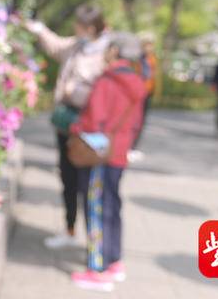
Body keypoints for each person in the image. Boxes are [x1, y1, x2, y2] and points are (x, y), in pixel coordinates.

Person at [68, 32, 149, 292]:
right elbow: (136, 123)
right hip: (119, 152)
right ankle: (114, 261)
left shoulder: (107, 80)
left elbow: (93, 120)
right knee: (112, 205)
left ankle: (97, 268)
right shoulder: (137, 82)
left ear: (115, 51)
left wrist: (75, 127)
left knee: (96, 207)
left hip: (100, 153)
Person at [25, 4, 110, 250]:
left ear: (91, 28)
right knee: (67, 177)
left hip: (88, 127)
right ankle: (70, 228)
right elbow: (55, 45)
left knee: (87, 182)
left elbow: (103, 92)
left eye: (80, 26)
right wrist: (39, 30)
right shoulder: (76, 45)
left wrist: (76, 91)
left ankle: (94, 239)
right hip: (66, 124)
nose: (76, 29)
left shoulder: (104, 54)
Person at [128, 33, 159, 162]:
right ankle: (128, 146)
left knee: (141, 120)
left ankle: (134, 146)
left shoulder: (152, 59)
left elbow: (155, 76)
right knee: (133, 119)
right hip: (136, 93)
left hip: (148, 93)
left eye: (151, 45)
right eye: (147, 44)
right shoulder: (137, 59)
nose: (149, 47)